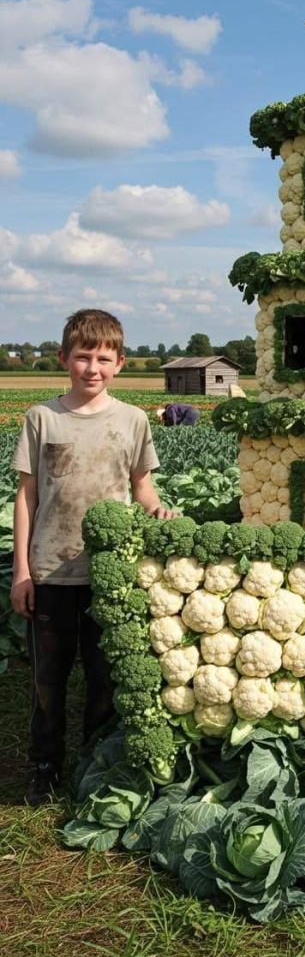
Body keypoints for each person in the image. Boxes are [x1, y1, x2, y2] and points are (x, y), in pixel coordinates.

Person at [11, 308, 177, 806]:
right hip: (51, 571)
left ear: (121, 363)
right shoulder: (42, 418)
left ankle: (93, 764)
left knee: (107, 676)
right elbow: (27, 496)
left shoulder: (132, 420)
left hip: (111, 575)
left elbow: (142, 488)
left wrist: (159, 512)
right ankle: (45, 766)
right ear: (64, 358)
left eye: (104, 358)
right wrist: (22, 571)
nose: (92, 368)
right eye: (83, 357)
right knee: (48, 679)